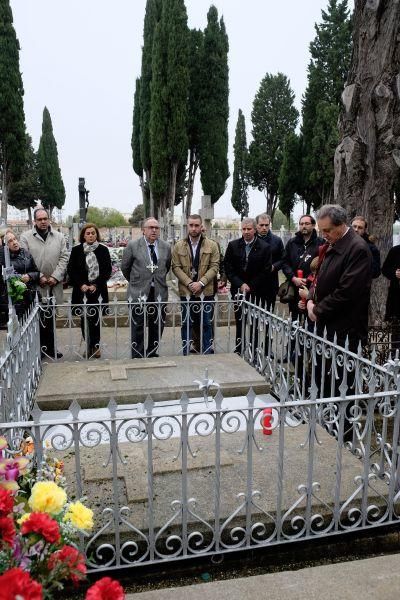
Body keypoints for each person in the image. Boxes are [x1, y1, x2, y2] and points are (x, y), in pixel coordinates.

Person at [307, 205, 372, 349]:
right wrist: (311, 298)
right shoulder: (333, 242)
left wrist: (317, 310)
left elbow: (346, 292)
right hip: (327, 324)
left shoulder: (357, 249)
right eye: (321, 230)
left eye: (327, 230)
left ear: (341, 224)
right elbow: (318, 275)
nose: (323, 235)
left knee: (339, 371)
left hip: (344, 331)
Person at [20, 208, 69, 358]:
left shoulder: (59, 237)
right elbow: (24, 259)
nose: (43, 222)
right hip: (36, 285)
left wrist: (55, 276)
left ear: (49, 219)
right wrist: (39, 276)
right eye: (39, 219)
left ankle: (51, 348)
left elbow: (64, 258)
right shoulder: (26, 237)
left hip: (54, 285)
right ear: (35, 221)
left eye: (45, 219)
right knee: (37, 318)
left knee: (51, 318)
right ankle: (38, 350)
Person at [121, 217, 171, 358]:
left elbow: (166, 266)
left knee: (157, 325)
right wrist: (137, 281)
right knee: (138, 325)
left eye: (156, 228)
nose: (154, 230)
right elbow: (125, 267)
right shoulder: (133, 245)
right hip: (138, 291)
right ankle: (137, 354)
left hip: (158, 291)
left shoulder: (166, 247)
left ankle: (152, 352)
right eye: (150, 227)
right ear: (143, 230)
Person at [172, 214, 219, 355]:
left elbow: (214, 266)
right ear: (187, 226)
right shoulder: (179, 245)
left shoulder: (212, 245)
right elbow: (175, 267)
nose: (193, 228)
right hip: (186, 291)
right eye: (191, 225)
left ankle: (206, 350)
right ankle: (186, 350)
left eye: (196, 225)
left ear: (201, 227)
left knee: (206, 323)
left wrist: (201, 283)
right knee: (187, 323)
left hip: (206, 291)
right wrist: (189, 283)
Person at [224, 217, 272, 354]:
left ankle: (254, 350)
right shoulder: (233, 245)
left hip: (256, 290)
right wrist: (240, 284)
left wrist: (250, 285)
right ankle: (239, 349)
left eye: (249, 229)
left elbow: (266, 270)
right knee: (239, 321)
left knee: (255, 323)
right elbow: (228, 267)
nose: (246, 232)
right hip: (238, 290)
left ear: (255, 229)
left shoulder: (264, 247)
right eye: (243, 229)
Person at [67, 223, 112, 359]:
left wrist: (96, 285)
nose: (91, 235)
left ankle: (96, 346)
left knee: (95, 319)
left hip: (97, 291)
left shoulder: (103, 250)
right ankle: (88, 345)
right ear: (83, 235)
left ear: (96, 235)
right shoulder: (76, 250)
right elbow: (71, 270)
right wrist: (81, 284)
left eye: (93, 233)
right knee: (84, 319)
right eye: (88, 233)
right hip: (81, 291)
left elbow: (107, 270)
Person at [281, 215, 324, 321]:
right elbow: (284, 263)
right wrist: (293, 278)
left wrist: (309, 279)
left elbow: (323, 266)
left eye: (307, 224)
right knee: (294, 321)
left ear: (313, 225)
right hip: (294, 288)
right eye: (301, 224)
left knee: (310, 323)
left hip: (312, 289)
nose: (303, 226)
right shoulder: (292, 243)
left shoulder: (321, 243)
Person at [0, 231, 40, 322]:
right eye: (10, 241)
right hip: (13, 300)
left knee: (31, 328)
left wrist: (29, 276)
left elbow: (37, 272)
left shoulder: (26, 253)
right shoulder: (3, 258)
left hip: (29, 296)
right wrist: (17, 278)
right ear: (5, 244)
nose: (14, 242)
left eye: (15, 239)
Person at [256, 213, 285, 311]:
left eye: (266, 225)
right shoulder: (251, 239)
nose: (264, 228)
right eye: (261, 225)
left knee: (269, 313)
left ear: (269, 225)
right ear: (256, 225)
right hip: (254, 283)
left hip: (270, 283)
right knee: (253, 314)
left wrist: (274, 267)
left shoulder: (277, 241)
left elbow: (283, 259)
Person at [382, 244, 400, 352]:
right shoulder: (396, 250)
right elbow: (385, 269)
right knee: (396, 335)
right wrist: (395, 273)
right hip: (396, 301)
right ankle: (394, 360)